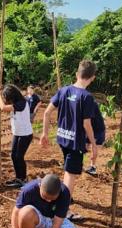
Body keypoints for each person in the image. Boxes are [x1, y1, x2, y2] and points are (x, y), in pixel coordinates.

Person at [41, 60, 98, 196]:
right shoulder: (87, 97)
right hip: (75, 142)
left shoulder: (63, 91)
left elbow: (47, 112)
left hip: (62, 138)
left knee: (68, 169)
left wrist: (44, 134)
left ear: (77, 74)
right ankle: (65, 208)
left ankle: (65, 198)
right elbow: (86, 124)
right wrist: (94, 144)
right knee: (70, 174)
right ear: (92, 78)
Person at [0, 83, 32, 188]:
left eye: (7, 97)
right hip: (17, 133)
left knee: (19, 157)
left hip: (25, 134)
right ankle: (18, 178)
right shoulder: (16, 102)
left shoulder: (21, 103)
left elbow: (3, 107)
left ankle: (23, 178)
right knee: (13, 156)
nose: (6, 99)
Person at [86, 102, 107, 176]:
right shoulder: (91, 105)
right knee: (85, 146)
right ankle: (77, 163)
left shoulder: (89, 108)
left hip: (98, 131)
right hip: (92, 129)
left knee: (94, 147)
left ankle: (92, 167)